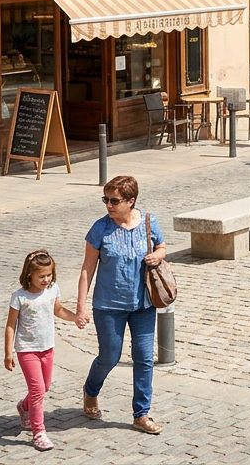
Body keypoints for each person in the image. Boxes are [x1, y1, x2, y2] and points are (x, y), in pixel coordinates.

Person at [76, 175, 166, 435]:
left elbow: (162, 246)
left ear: (131, 200)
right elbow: (87, 270)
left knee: (144, 358)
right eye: (106, 199)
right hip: (108, 306)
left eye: (114, 201)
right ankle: (91, 391)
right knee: (109, 356)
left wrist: (157, 255)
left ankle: (141, 414)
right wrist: (81, 308)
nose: (109, 205)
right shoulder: (100, 229)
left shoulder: (148, 222)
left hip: (144, 305)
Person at [5, 250, 81, 451]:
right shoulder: (19, 297)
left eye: (49, 275)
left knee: (44, 387)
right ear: (29, 274)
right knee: (38, 390)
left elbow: (58, 310)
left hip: (47, 347)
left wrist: (75, 318)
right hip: (26, 349)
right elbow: (11, 325)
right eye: (42, 276)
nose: (46, 279)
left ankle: (24, 406)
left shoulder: (53, 290)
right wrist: (8, 352)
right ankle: (39, 432)